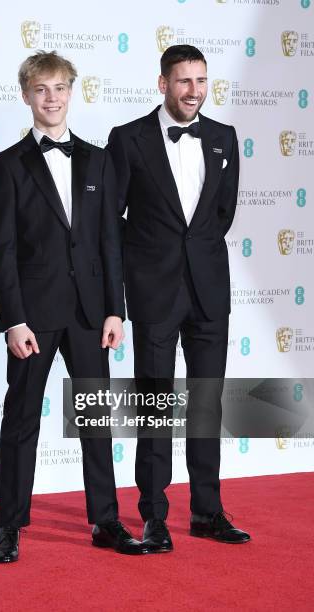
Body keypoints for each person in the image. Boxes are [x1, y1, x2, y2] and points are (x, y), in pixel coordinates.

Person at [0, 50, 147, 562]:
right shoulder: (7, 165)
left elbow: (110, 244)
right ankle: (10, 525)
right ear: (26, 95)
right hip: (32, 316)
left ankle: (105, 521)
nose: (51, 98)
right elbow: (4, 251)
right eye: (41, 89)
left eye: (59, 88)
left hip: (89, 314)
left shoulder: (99, 159)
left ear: (71, 92)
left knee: (97, 422)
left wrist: (114, 310)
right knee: (21, 422)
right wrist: (13, 320)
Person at [107, 44, 251, 552]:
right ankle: (153, 515)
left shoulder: (224, 137)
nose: (194, 91)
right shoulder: (128, 139)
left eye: (202, 81)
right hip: (154, 292)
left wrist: (197, 254)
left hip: (210, 291)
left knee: (206, 404)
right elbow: (112, 221)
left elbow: (222, 213)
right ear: (163, 83)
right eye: (184, 81)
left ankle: (207, 512)